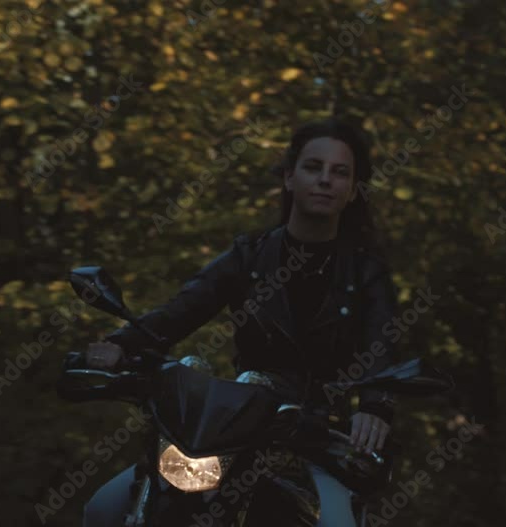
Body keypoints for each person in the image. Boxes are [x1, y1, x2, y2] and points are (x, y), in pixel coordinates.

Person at [83, 117, 400, 527]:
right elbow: (180, 310)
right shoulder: (248, 256)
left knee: (338, 522)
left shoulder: (366, 272)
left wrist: (374, 406)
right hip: (238, 430)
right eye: (313, 167)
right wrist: (120, 344)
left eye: (340, 172)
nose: (325, 179)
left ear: (353, 190)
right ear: (289, 177)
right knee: (104, 509)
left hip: (319, 438)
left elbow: (382, 345)